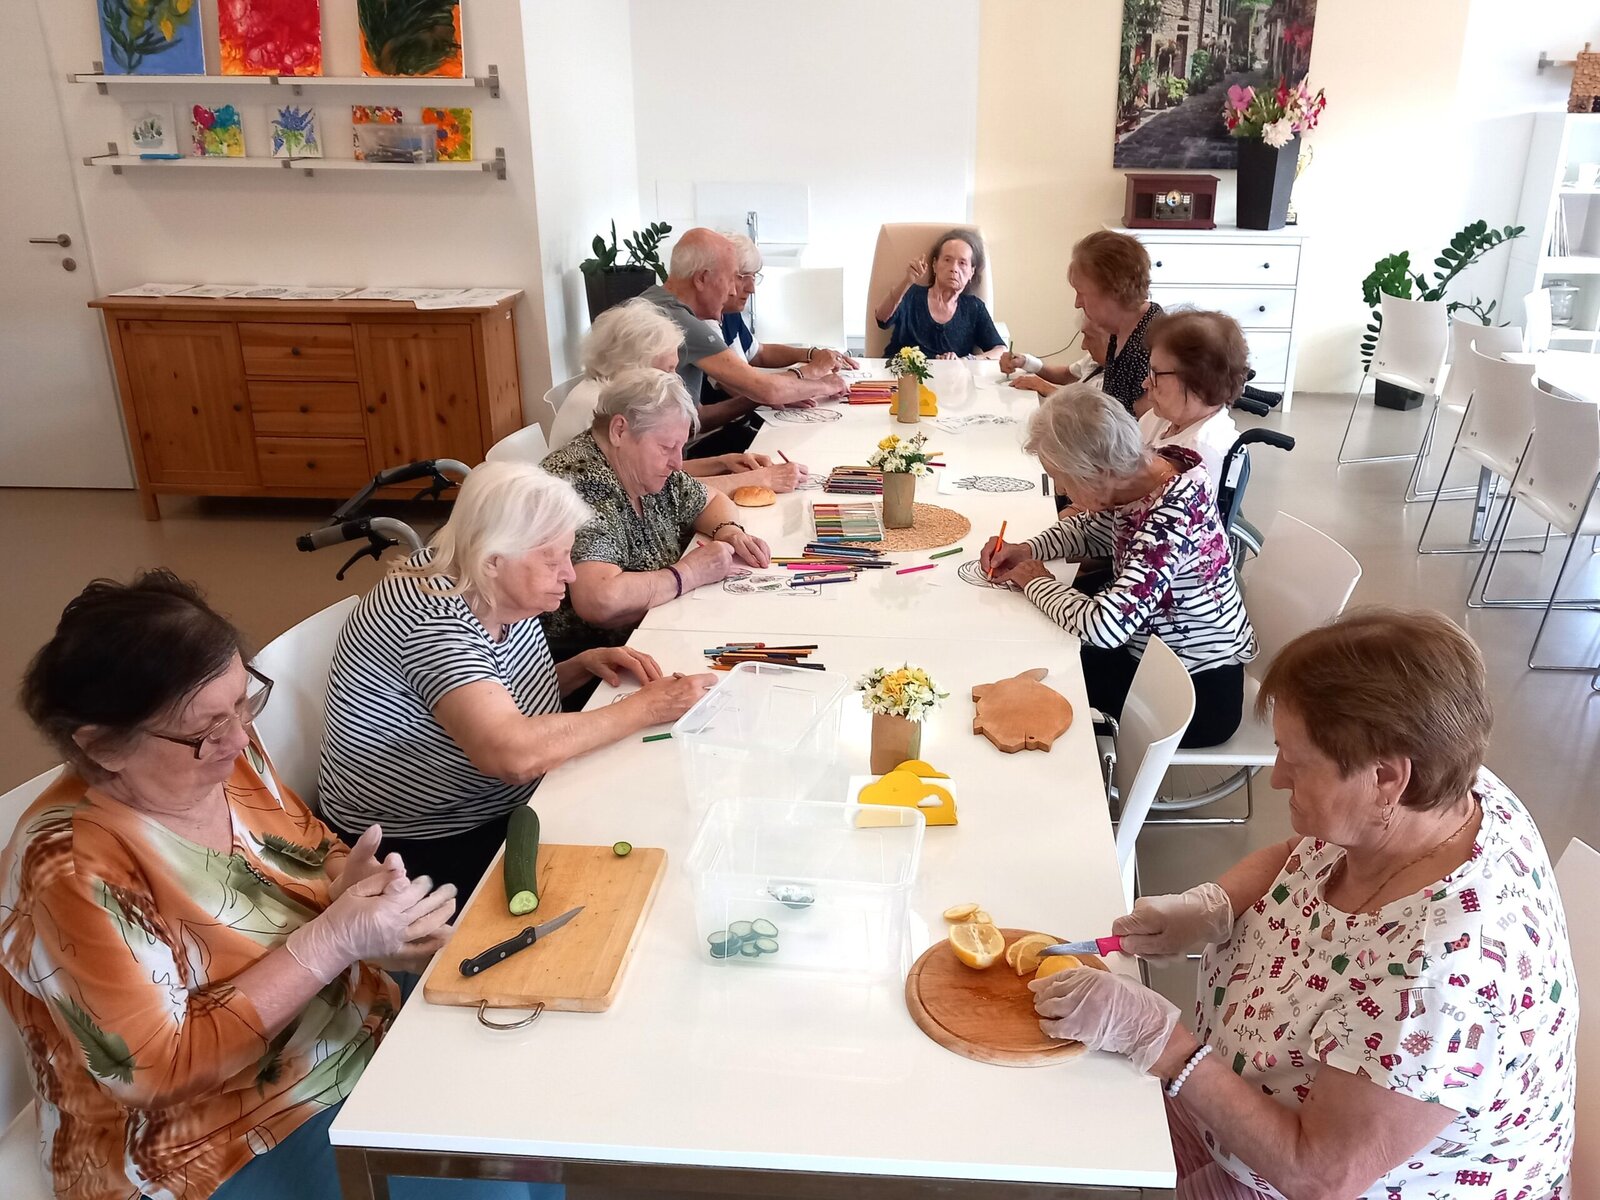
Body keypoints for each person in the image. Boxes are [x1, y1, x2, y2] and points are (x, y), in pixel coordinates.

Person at [1031, 609, 1576, 1200]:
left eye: (1297, 760)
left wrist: (1161, 1043)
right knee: (1071, 1132)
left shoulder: (1443, 982)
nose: (1276, 779)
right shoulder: (1435, 791)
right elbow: (1305, 853)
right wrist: (1211, 905)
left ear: (1385, 777)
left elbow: (1319, 1175)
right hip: (1244, 1099)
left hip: (1304, 1177)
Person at [2, 570, 459, 1200]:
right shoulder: (72, 866)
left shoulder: (223, 753)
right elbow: (158, 1070)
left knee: (526, 1109)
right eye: (207, 728)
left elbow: (310, 847)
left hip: (346, 1028)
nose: (241, 737)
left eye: (244, 702)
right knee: (490, 1174)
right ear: (103, 747)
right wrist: (333, 941)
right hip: (206, 1141)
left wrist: (347, 885)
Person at [319, 460, 714, 898]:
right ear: (493, 561)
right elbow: (512, 755)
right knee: (637, 860)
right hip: (421, 841)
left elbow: (488, 691)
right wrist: (649, 707)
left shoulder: (485, 579)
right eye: (553, 560)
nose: (569, 573)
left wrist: (577, 667)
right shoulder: (433, 622)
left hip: (487, 796)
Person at [981, 384, 1253, 747]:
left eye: (1062, 479)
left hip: (1193, 693)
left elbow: (1107, 627)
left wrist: (1037, 582)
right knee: (1035, 646)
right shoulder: (1144, 472)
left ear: (1097, 472)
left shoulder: (1172, 514)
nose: (1061, 490)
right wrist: (1029, 549)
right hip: (1151, 655)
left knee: (1032, 675)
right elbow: (1093, 530)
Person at [541, 367, 771, 663]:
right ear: (619, 430)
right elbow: (599, 599)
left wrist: (730, 532)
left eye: (680, 447)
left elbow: (712, 500)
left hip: (655, 631)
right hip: (598, 663)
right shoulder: (582, 483)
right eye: (667, 447)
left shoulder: (639, 465)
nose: (678, 462)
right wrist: (689, 573)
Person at [550, 297, 807, 496]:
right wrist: (755, 480)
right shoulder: (602, 407)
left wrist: (723, 463)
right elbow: (657, 494)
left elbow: (661, 470)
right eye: (668, 370)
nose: (676, 381)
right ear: (634, 366)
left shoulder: (603, 390)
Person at [638, 228, 846, 446]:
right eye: (732, 279)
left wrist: (760, 397)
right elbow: (766, 389)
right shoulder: (680, 321)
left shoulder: (651, 301)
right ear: (701, 279)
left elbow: (695, 421)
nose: (733, 292)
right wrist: (825, 384)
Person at [1006, 231, 1161, 414]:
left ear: (1114, 290)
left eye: (1081, 292)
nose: (1077, 303)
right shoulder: (1120, 329)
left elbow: (1143, 425)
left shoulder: (1150, 343)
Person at [712, 232, 858, 376]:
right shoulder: (708, 322)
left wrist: (812, 354)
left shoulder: (729, 312)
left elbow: (758, 354)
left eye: (754, 277)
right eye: (743, 277)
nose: (751, 289)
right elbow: (749, 385)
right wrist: (811, 373)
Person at [1137, 309, 1245, 491]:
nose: (1145, 383)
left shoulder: (1200, 453)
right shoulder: (1157, 418)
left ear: (1197, 381)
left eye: (1156, 374)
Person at [873, 228, 1005, 360]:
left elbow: (1000, 350)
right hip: (902, 370)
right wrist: (907, 281)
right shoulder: (911, 294)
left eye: (962, 263)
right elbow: (881, 318)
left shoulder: (974, 308)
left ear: (971, 272)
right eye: (947, 260)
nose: (954, 268)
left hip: (951, 373)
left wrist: (967, 360)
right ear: (935, 265)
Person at [1003, 317, 1109, 396]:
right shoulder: (1094, 360)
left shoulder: (1117, 383)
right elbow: (1066, 375)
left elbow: (1090, 411)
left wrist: (1046, 388)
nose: (1083, 346)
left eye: (1089, 337)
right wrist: (1025, 361)